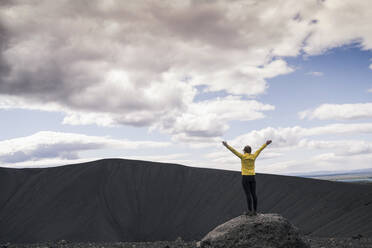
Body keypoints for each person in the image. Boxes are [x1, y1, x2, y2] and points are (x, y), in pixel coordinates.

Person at [222, 140, 272, 216]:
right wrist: (266, 144)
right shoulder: (253, 156)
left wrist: (226, 145)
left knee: (248, 194)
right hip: (252, 177)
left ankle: (249, 211)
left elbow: (234, 151)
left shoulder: (242, 156)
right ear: (250, 151)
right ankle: (255, 211)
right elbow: (260, 150)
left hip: (245, 177)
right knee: (254, 194)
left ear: (244, 151)